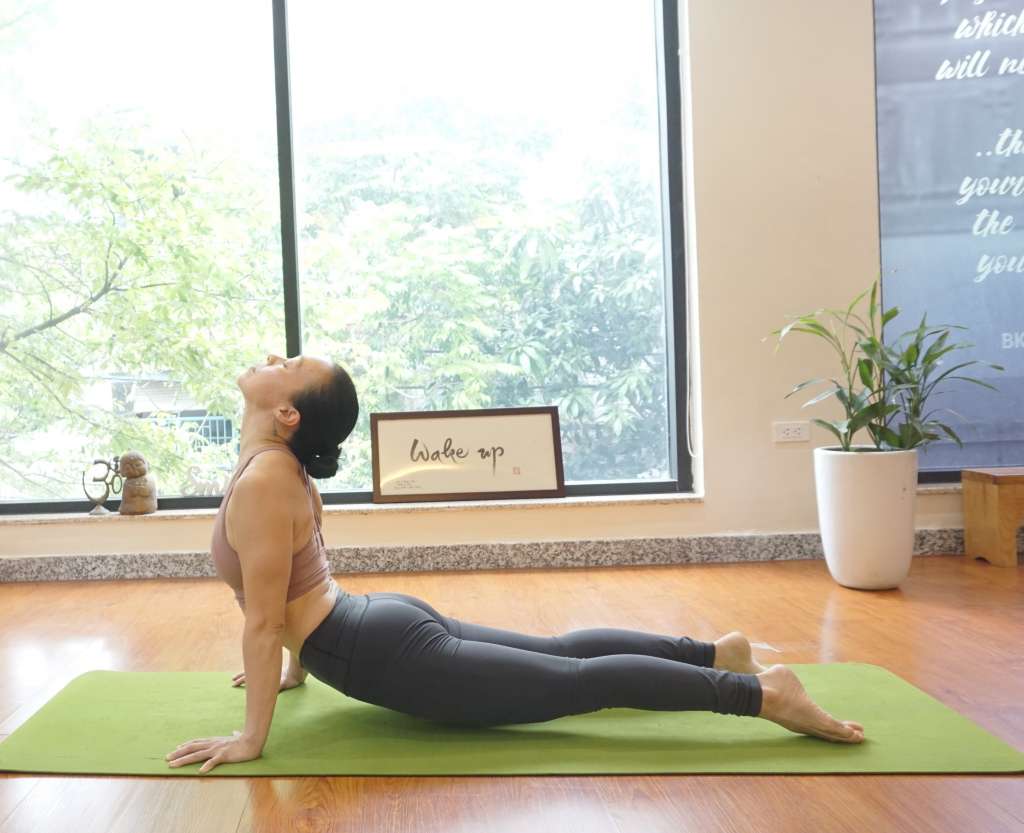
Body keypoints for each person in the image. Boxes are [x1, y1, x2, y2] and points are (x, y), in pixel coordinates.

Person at [166, 353, 865, 774]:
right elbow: (297, 573)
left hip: (371, 646)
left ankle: (763, 694)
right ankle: (718, 653)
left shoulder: (264, 477)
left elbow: (267, 617)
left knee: (574, 683)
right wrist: (295, 668)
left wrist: (252, 737)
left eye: (287, 365)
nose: (273, 357)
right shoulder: (273, 469)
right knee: (560, 656)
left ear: (288, 414)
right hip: (371, 623)